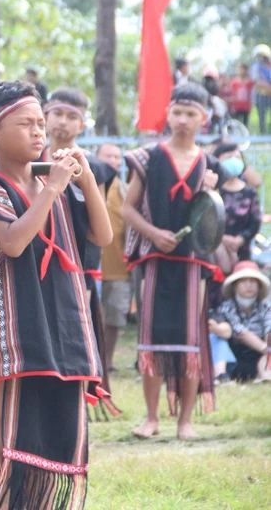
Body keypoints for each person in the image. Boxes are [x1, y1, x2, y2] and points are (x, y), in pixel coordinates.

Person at [0, 80, 111, 510]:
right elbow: (12, 243)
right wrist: (52, 188)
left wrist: (84, 179)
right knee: (3, 433)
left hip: (60, 327)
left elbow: (103, 235)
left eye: (41, 124)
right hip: (12, 330)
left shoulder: (58, 186)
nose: (39, 133)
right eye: (26, 124)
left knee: (50, 432)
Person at [121, 82, 230, 441]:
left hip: (193, 262)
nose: (182, 119)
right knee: (151, 336)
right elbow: (127, 208)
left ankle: (185, 421)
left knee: (190, 338)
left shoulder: (210, 164)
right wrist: (153, 233)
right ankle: (151, 419)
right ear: (168, 115)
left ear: (204, 118)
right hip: (154, 258)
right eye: (177, 112)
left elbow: (212, 218)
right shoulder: (148, 157)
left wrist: (211, 189)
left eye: (190, 113)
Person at [42, 88, 119, 417]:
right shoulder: (27, 159)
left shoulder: (95, 169)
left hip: (78, 267)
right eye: (57, 114)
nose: (62, 122)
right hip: (36, 261)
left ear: (83, 124)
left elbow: (97, 225)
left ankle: (74, 405)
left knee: (73, 335)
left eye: (71, 116)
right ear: (44, 116)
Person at [208, 261, 271, 383]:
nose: (249, 286)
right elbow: (242, 333)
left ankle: (265, 377)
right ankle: (221, 376)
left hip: (258, 355)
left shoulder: (266, 307)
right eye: (243, 281)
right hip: (236, 355)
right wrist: (266, 348)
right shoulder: (226, 307)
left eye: (253, 281)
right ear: (235, 286)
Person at [96, 143, 129, 374]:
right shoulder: (88, 185)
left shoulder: (124, 190)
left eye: (117, 157)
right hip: (90, 266)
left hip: (118, 265)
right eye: (108, 156)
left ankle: (107, 361)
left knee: (115, 316)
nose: (113, 161)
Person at [250, 45, 271, 134]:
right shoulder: (256, 67)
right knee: (262, 117)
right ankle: (264, 135)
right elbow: (257, 81)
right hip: (261, 95)